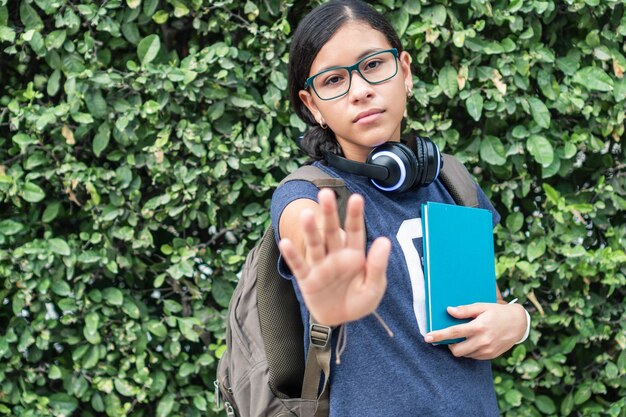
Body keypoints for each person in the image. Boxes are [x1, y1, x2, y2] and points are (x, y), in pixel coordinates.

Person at [270, 1, 530, 415]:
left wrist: (516, 324)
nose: (360, 90)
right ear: (313, 104)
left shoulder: (453, 181)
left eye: (372, 65)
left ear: (404, 71)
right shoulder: (306, 196)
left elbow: (490, 307)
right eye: (334, 80)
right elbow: (305, 231)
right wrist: (330, 296)